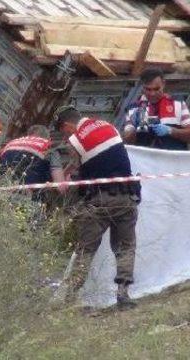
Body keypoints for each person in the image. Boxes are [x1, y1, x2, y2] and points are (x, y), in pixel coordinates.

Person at [53, 105, 139, 305]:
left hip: (98, 201)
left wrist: (65, 179)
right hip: (126, 196)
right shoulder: (108, 125)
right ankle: (123, 294)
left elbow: (79, 168)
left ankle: (69, 297)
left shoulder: (74, 140)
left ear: (67, 125)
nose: (64, 137)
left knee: (86, 249)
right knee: (125, 246)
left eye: (63, 131)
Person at [123, 68, 190, 150]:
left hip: (172, 160)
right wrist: (135, 129)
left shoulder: (177, 104)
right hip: (146, 161)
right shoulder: (133, 109)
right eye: (148, 89)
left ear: (163, 84)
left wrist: (171, 131)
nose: (152, 93)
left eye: (156, 89)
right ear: (142, 86)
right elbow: (126, 142)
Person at [0, 124, 65, 200]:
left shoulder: (11, 143)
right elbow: (60, 187)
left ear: (28, 136)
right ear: (48, 139)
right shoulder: (49, 148)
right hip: (27, 198)